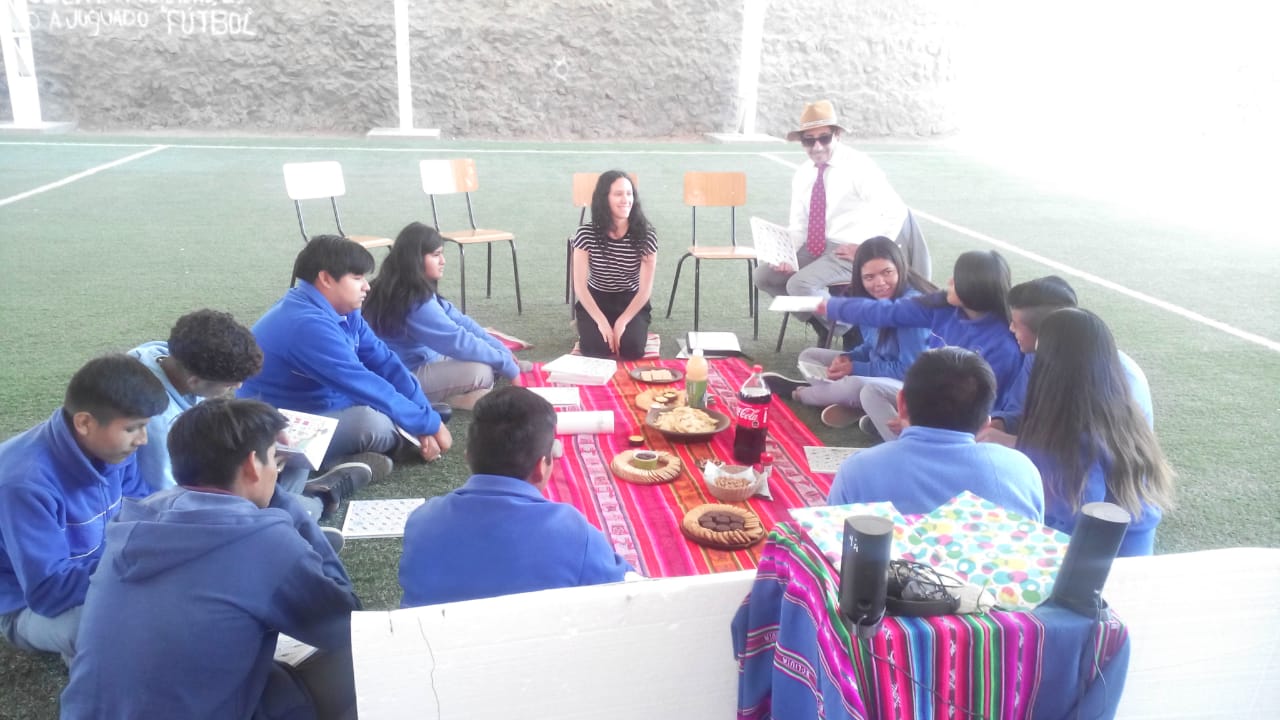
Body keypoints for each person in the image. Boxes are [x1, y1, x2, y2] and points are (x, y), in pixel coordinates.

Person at [61, 398, 361, 719]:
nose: (276, 470)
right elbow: (348, 623)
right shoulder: (265, 541)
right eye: (275, 459)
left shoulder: (137, 517)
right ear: (251, 465)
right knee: (362, 661)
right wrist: (284, 508)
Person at [239, 235, 453, 506]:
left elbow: (385, 363)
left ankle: (362, 452)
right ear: (326, 278)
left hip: (327, 405)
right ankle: (382, 446)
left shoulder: (342, 310)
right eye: (357, 277)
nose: (366, 286)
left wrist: (426, 414)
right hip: (281, 427)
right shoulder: (306, 324)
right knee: (372, 422)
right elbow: (362, 383)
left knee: (398, 387)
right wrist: (428, 424)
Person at [399, 386, 634, 606]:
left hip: (436, 647)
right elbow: (627, 592)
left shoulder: (421, 521)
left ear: (468, 456)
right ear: (542, 466)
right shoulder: (574, 533)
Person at [0, 355, 167, 661]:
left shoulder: (112, 448)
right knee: (118, 628)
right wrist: (134, 565)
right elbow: (48, 592)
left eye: (146, 427)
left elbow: (141, 507)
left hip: (97, 569)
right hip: (24, 605)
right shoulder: (22, 483)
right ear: (85, 422)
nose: (143, 440)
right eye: (134, 428)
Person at [753, 99, 930, 342]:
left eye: (824, 138)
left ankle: (850, 321)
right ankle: (829, 323)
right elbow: (799, 226)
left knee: (799, 286)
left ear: (837, 135)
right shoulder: (803, 173)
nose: (816, 146)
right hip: (817, 245)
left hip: (852, 249)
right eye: (808, 140)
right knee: (764, 276)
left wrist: (866, 250)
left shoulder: (858, 167)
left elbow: (895, 211)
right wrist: (786, 254)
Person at [816, 249, 1023, 442]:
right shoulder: (942, 307)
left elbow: (981, 409)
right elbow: (890, 312)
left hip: (964, 426)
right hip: (930, 399)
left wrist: (919, 421)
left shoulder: (1003, 345)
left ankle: (907, 441)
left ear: (973, 287)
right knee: (871, 391)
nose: (950, 281)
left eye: (956, 279)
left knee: (872, 394)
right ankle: (900, 431)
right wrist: (836, 307)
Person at [1016, 308, 1174, 556]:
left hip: (1099, 572)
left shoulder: (1076, 439)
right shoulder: (1120, 412)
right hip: (1124, 557)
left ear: (1052, 368)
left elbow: (1070, 523)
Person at [827, 348, 1044, 520]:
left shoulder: (857, 470)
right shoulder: (1023, 470)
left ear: (901, 404)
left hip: (891, 576)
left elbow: (831, 550)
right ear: (986, 423)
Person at [762, 237, 933, 428]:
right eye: (869, 277)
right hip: (884, 377)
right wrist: (849, 358)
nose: (880, 283)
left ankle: (801, 393)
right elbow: (872, 345)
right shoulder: (868, 299)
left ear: (901, 268)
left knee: (862, 387)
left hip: (915, 388)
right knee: (810, 356)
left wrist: (855, 369)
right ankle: (854, 404)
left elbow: (910, 372)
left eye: (887, 273)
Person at [363, 222, 529, 411]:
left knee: (484, 354)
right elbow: (456, 340)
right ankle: (448, 400)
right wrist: (504, 363)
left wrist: (502, 352)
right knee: (481, 371)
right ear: (415, 260)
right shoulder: (413, 300)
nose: (443, 261)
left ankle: (463, 388)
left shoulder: (408, 285)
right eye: (435, 255)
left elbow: (462, 323)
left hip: (421, 360)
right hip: (401, 377)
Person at [979, 275, 1153, 444]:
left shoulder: (1119, 378)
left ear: (1046, 333)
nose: (1010, 328)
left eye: (1016, 324)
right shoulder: (1037, 357)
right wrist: (999, 424)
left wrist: (1017, 444)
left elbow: (1095, 453)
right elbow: (1022, 411)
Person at [128, 308, 264, 491]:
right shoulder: (156, 423)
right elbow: (165, 491)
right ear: (194, 381)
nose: (238, 387)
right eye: (229, 385)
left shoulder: (159, 353)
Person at [571, 170, 658, 359]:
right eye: (618, 194)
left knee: (632, 350)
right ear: (605, 199)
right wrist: (601, 321)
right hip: (596, 297)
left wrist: (622, 322)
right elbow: (580, 286)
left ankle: (629, 327)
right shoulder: (585, 234)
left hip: (631, 299)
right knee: (596, 351)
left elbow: (644, 291)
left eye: (629, 193)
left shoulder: (647, 236)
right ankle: (591, 328)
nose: (626, 199)